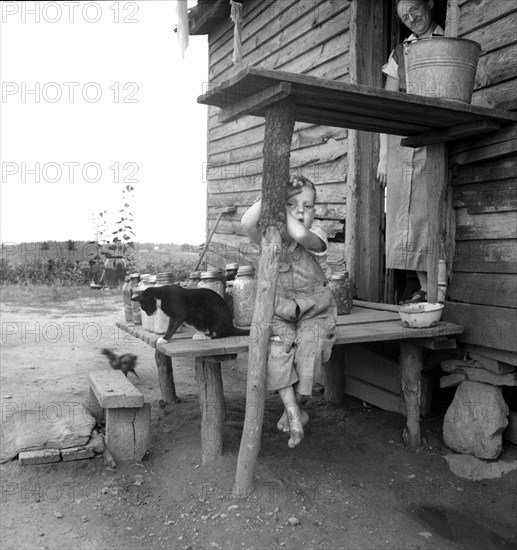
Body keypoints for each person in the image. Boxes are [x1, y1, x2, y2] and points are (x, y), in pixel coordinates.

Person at [241, 175, 337, 448]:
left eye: (307, 206)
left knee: (310, 349)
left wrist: (281, 206)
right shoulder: (269, 238)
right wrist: (270, 195)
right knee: (275, 352)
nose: (300, 212)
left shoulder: (317, 235)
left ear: (315, 212)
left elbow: (298, 233)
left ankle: (293, 409)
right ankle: (294, 410)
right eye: (292, 204)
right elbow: (247, 222)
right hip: (280, 314)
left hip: (315, 312)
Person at [377, 0, 444, 304]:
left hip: (438, 135)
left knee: (433, 213)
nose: (411, 18)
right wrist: (383, 156)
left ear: (429, 3)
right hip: (404, 142)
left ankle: (438, 290)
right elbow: (386, 108)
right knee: (408, 216)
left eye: (415, 8)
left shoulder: (448, 38)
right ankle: (426, 289)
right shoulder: (399, 53)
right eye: (404, 17)